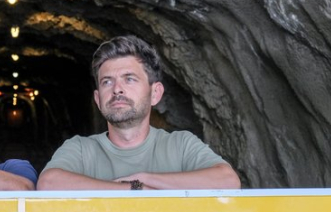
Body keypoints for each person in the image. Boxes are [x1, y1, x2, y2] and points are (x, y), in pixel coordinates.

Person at [37, 35, 240, 191]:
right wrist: (134, 188)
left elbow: (228, 181)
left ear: (155, 93)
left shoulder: (181, 145)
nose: (117, 89)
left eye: (129, 79)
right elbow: (48, 183)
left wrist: (146, 178)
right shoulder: (81, 149)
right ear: (98, 100)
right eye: (107, 81)